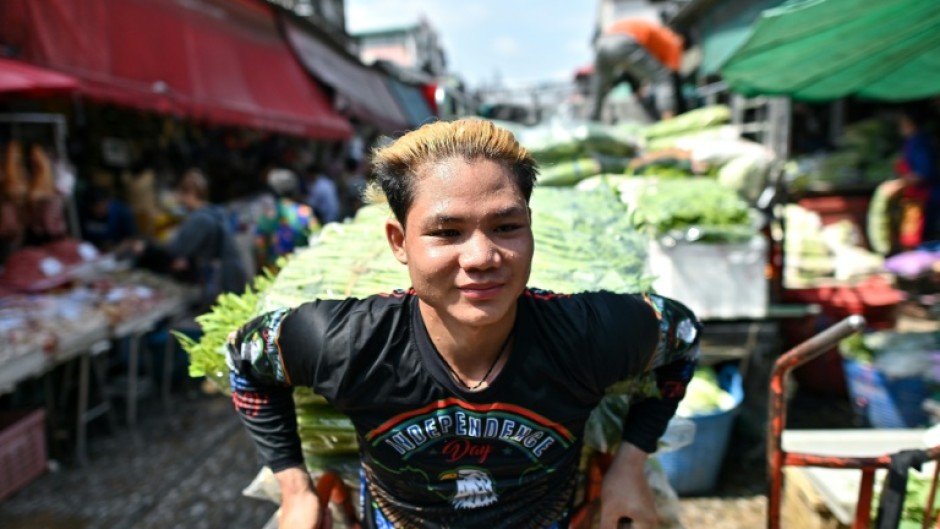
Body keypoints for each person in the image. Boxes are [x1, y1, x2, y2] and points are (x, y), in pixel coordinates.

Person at [226, 119, 700, 529]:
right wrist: (294, 487)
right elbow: (244, 361)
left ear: (530, 227)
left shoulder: (586, 335)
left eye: (506, 227)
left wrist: (630, 464)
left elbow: (683, 338)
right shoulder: (347, 343)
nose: (481, 258)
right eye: (447, 232)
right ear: (399, 241)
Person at [136, 169, 248, 302]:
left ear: (191, 194)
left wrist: (148, 248)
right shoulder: (215, 211)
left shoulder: (200, 219)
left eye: (181, 195)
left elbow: (177, 249)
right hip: (233, 272)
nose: (179, 201)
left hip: (223, 278)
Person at [590, 18, 684, 122]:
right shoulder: (675, 41)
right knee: (663, 79)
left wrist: (637, 89)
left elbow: (632, 68)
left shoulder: (657, 35)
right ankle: (669, 122)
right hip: (625, 41)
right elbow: (673, 76)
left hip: (602, 44)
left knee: (600, 89)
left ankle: (592, 122)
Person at [897, 108, 939, 243]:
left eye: (902, 121)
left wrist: (899, 184)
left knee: (923, 237)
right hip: (919, 197)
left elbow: (924, 173)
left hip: (926, 198)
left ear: (910, 123)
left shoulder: (919, 143)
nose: (900, 125)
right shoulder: (914, 141)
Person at [80, 186, 138, 252]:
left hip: (119, 250)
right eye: (95, 207)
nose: (98, 210)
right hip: (94, 252)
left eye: (101, 205)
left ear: (108, 202)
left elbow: (131, 238)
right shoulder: (84, 214)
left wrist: (115, 250)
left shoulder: (122, 212)